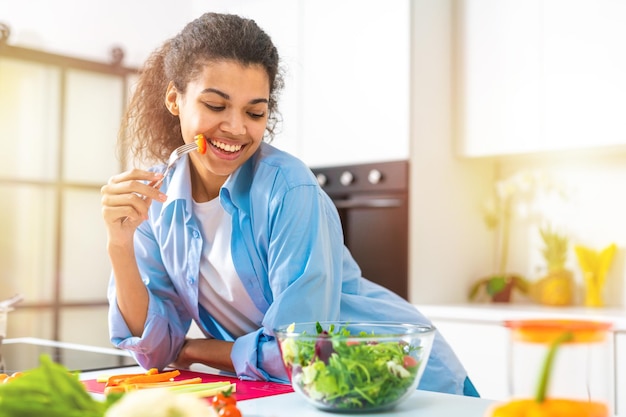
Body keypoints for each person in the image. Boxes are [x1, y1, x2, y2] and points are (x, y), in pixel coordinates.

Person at [100, 12, 478, 397]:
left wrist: (195, 350)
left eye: (254, 112)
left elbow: (299, 353)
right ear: (174, 99)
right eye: (215, 105)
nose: (235, 127)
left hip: (407, 382)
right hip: (314, 393)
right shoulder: (157, 202)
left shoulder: (289, 190)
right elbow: (153, 349)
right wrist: (120, 245)